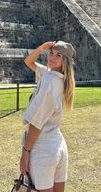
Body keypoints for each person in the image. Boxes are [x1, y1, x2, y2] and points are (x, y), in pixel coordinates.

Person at [20, 40, 76, 192]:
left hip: (43, 148)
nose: (51, 57)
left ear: (64, 61)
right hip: (59, 146)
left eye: (58, 55)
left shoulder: (49, 80)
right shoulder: (60, 79)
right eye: (51, 53)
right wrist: (41, 48)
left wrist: (26, 152)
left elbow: (37, 122)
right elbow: (29, 61)